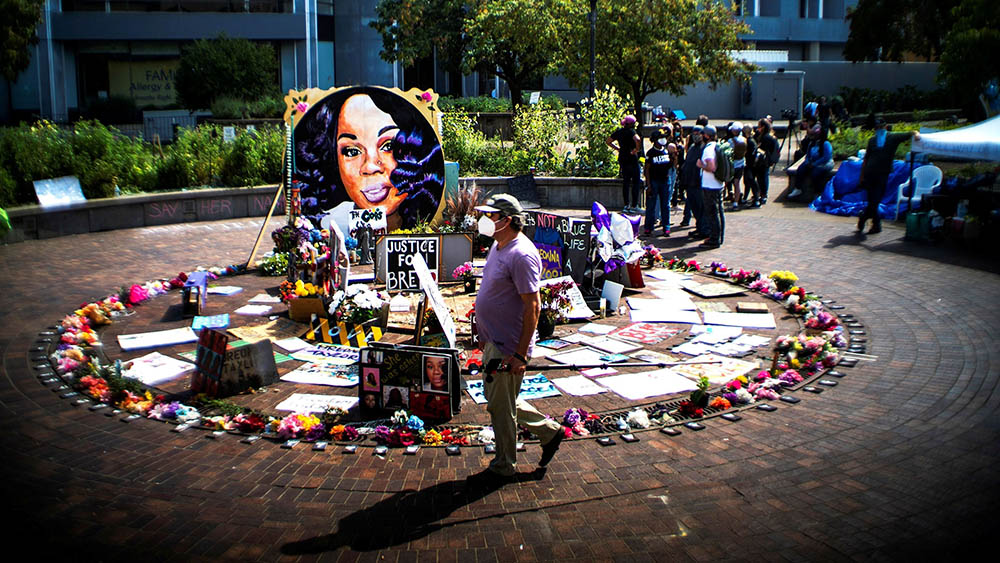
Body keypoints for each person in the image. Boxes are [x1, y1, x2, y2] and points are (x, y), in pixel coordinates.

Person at [473, 194, 563, 480]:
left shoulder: (521, 254)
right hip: (494, 341)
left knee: (500, 406)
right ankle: (549, 432)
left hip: (508, 346)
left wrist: (521, 354)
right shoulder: (499, 246)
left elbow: (532, 306)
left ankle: (504, 466)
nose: (484, 221)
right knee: (497, 399)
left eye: (490, 215)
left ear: (506, 220)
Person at [293, 86, 445, 231]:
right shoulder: (329, 225)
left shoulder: (427, 224)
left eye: (388, 146)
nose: (370, 167)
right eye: (352, 151)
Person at [857, 117, 921, 234]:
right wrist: (862, 176)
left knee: (875, 200)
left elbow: (910, 133)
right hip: (870, 173)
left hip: (882, 174)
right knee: (872, 200)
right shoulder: (872, 140)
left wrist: (916, 134)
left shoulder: (892, 138)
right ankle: (876, 225)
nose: (879, 130)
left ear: (885, 127)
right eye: (877, 128)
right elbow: (866, 159)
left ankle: (864, 216)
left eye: (881, 127)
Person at [606, 116, 643, 213]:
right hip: (632, 157)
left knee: (626, 182)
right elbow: (638, 140)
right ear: (631, 124)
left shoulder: (619, 132)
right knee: (636, 181)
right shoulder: (631, 131)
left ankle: (626, 205)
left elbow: (608, 141)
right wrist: (636, 149)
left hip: (622, 157)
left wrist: (618, 148)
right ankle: (634, 205)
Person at [643, 129, 676, 236]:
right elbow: (647, 169)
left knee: (665, 205)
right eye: (660, 138)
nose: (663, 140)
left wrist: (674, 157)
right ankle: (648, 227)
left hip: (666, 181)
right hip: (654, 181)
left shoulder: (666, 151)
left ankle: (666, 227)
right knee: (651, 205)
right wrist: (648, 185)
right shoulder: (651, 153)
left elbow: (672, 166)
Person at [696, 125, 724, 249]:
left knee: (712, 213)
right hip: (718, 184)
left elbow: (711, 167)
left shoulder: (708, 149)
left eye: (703, 134)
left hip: (710, 186)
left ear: (707, 136)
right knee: (719, 212)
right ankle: (718, 236)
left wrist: (701, 165)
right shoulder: (717, 146)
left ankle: (714, 239)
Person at [787, 125, 833, 201]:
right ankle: (798, 188)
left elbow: (826, 158)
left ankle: (817, 192)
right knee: (801, 168)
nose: (813, 136)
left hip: (824, 164)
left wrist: (814, 164)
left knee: (815, 173)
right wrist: (808, 162)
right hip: (812, 162)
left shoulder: (826, 144)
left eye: (815, 134)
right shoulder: (811, 144)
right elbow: (808, 155)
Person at [682, 125, 706, 237]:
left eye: (698, 133)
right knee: (694, 206)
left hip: (699, 183)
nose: (696, 136)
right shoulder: (692, 147)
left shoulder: (704, 148)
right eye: (694, 133)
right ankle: (699, 227)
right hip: (689, 182)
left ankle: (704, 229)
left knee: (701, 207)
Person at [753, 118, 779, 205]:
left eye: (759, 126)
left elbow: (764, 149)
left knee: (762, 178)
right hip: (765, 161)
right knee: (762, 177)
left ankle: (763, 195)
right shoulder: (768, 136)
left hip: (764, 161)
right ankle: (762, 194)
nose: (758, 128)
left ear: (763, 127)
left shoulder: (766, 137)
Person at [727, 123, 747, 210]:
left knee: (727, 182)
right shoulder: (744, 139)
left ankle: (728, 195)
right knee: (737, 183)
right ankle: (736, 201)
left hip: (732, 164)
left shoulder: (731, 141)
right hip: (741, 163)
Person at [740, 123, 759, 207]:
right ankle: (746, 197)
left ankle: (756, 199)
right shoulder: (752, 140)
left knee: (751, 181)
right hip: (752, 165)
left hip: (750, 165)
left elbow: (749, 154)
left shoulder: (749, 141)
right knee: (748, 182)